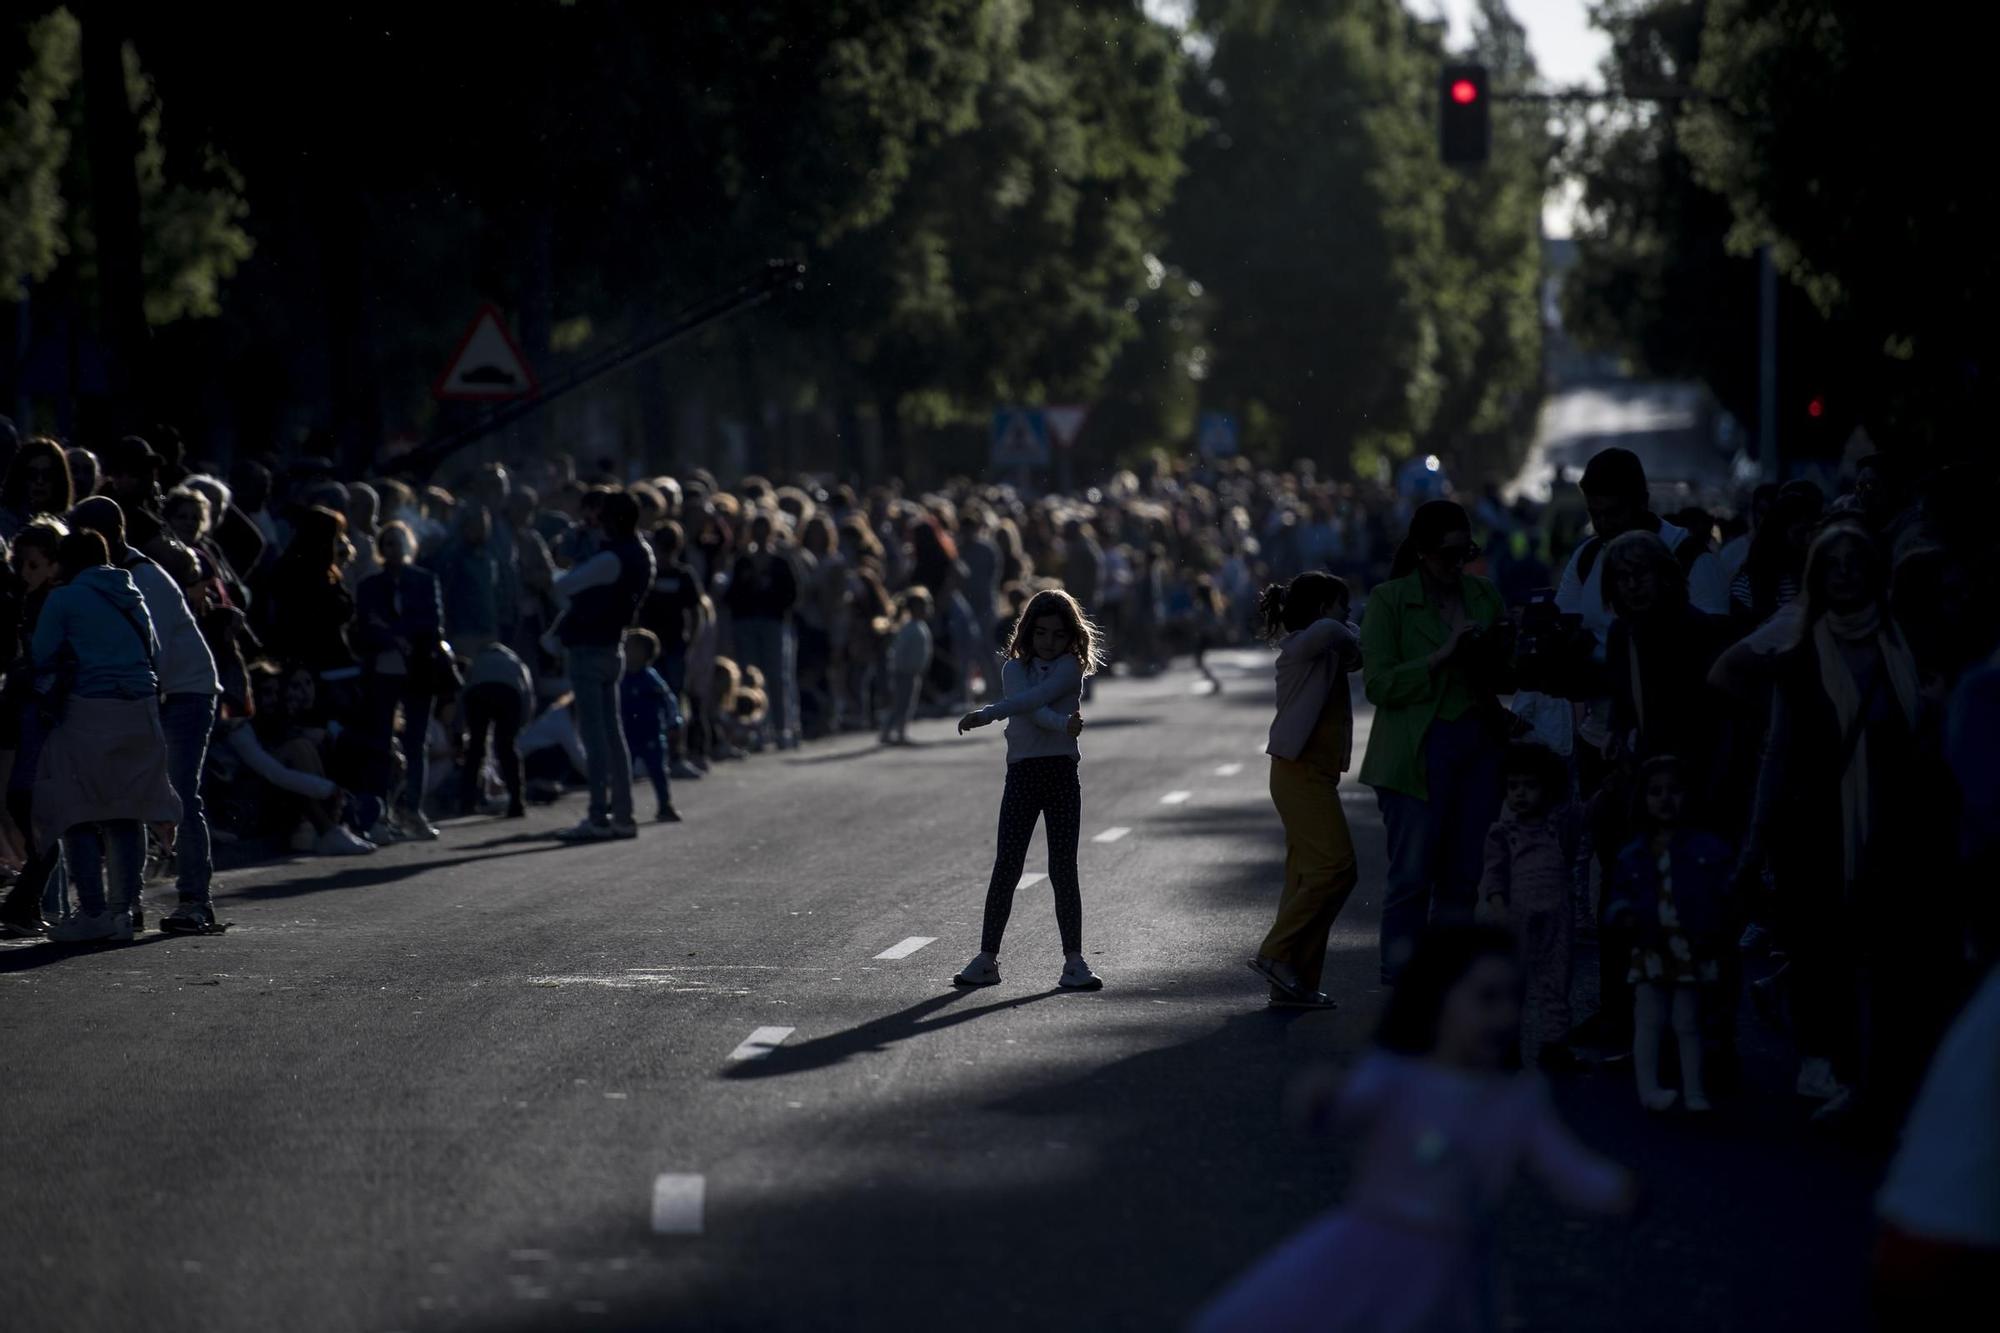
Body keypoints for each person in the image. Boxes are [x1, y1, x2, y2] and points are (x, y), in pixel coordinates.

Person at [1192, 925, 1635, 1333]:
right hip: (1369, 1252)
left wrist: (1615, 1190)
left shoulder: (1516, 1100)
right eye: (1486, 997)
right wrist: (1319, 1098)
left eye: (1512, 998)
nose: (1503, 1015)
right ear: (1440, 999)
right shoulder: (1396, 1075)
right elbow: (1345, 1111)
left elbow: (1561, 1163)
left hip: (1456, 1268)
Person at [1359, 500, 1509, 985]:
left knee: (1464, 877)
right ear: (1422, 552)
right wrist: (1441, 656)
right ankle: (1401, 979)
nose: (1457, 565)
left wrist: (1505, 650)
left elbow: (1506, 676)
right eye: (1447, 554)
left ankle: (1448, 981)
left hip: (1479, 748)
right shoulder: (1389, 600)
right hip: (1413, 756)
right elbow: (1378, 684)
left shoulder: (1484, 595)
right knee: (1411, 877)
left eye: (1465, 553)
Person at [69, 497, 224, 935]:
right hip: (147, 696)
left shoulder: (143, 579)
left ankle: (196, 901)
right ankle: (127, 904)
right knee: (131, 799)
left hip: (184, 691)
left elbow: (153, 656)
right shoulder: (107, 579)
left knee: (177, 792)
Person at [33, 530, 181, 942]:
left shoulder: (63, 598)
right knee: (125, 810)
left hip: (88, 709)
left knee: (77, 809)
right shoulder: (131, 593)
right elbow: (155, 651)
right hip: (140, 709)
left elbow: (42, 653)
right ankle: (123, 912)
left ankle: (93, 910)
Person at [953, 589, 1100, 992]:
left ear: (1070, 637)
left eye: (1057, 634)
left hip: (1061, 773)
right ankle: (987, 958)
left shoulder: (1072, 666)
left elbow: (1036, 701)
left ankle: (1074, 960)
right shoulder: (1012, 670)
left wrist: (988, 714)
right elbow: (1029, 706)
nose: (1049, 643)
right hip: (1022, 774)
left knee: (1062, 868)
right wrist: (1057, 724)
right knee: (1008, 865)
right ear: (1027, 634)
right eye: (1041, 634)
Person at [1246, 570, 1361, 1010]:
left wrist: (1350, 635)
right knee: (1336, 868)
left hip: (1313, 773)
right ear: (1320, 609)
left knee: (1305, 878)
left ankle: (1294, 980)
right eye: (1341, 604)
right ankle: (1276, 953)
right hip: (1298, 772)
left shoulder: (1324, 648)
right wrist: (1348, 628)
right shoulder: (1301, 646)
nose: (1347, 615)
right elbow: (1341, 634)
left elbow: (1355, 655)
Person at [1607, 756, 1733, 1112]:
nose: (1665, 799)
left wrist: (1718, 926)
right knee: (1649, 1018)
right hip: (1650, 943)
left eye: (1674, 791)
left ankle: (1693, 1091)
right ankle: (1649, 1089)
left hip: (1688, 945)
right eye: (1656, 792)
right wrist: (1622, 914)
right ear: (1643, 799)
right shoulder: (1634, 853)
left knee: (1687, 1020)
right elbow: (1619, 893)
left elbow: (1725, 893)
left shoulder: (1707, 849)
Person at [550, 488, 654, 842]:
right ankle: (622, 815)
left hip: (589, 650)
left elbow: (564, 585)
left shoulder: (611, 558)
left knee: (596, 737)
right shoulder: (642, 553)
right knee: (613, 735)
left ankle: (598, 814)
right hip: (614, 647)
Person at [1477, 742, 1581, 1068]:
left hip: (1558, 917)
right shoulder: (1502, 833)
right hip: (1516, 918)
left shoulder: (1559, 826)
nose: (1521, 794)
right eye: (1513, 786)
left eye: (1530, 786)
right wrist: (1498, 907)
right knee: (1513, 984)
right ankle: (1508, 1046)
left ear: (1549, 789)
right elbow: (1493, 875)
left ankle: (1555, 1044)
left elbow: (1585, 816)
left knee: (1556, 979)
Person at [354, 520, 448, 841]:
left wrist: (395, 631)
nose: (394, 549)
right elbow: (365, 626)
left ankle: (413, 809)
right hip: (382, 671)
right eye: (388, 543)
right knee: (380, 742)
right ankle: (379, 813)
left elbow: (431, 623)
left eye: (399, 542)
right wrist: (394, 636)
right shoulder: (370, 585)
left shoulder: (424, 580)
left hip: (418, 670)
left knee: (417, 741)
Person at [459, 639, 533, 818]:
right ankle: (517, 802)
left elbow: (464, 692)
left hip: (478, 693)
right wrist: (523, 722)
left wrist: (460, 727)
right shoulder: (514, 660)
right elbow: (527, 693)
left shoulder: (477, 661)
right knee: (507, 747)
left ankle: (467, 802)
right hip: (509, 694)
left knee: (476, 748)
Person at [620, 628, 681, 823]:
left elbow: (669, 700)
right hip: (627, 733)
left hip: (651, 733)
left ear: (643, 653)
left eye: (629, 647)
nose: (624, 651)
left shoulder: (650, 677)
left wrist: (674, 722)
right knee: (622, 772)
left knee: (658, 771)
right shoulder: (620, 677)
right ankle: (618, 806)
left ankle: (665, 805)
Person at [879, 586, 933, 746]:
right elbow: (899, 652)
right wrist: (900, 668)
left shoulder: (920, 627)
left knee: (907, 704)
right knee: (900, 704)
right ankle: (890, 732)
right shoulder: (909, 628)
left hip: (913, 672)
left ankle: (899, 732)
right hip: (904, 672)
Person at [0, 436, 74, 541]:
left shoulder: (70, 524)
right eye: (32, 474)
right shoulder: (4, 524)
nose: (40, 481)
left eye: (48, 475)